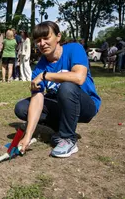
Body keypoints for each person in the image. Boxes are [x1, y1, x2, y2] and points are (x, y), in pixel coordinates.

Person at [14, 21, 101, 158]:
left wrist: (46, 76)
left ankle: (68, 139)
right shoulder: (39, 67)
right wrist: (27, 136)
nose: (42, 43)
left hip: (85, 105)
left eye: (46, 38)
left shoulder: (74, 49)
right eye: (38, 40)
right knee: (22, 107)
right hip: (60, 103)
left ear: (58, 37)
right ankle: (60, 131)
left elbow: (79, 78)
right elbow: (37, 100)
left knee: (67, 86)